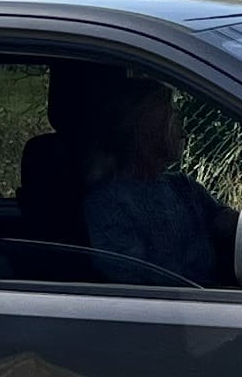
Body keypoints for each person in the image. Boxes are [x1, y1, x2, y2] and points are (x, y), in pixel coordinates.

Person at [83, 75, 231, 285]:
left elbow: (222, 220)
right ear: (150, 128)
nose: (184, 132)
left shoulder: (183, 186)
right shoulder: (108, 204)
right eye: (173, 119)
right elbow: (135, 281)